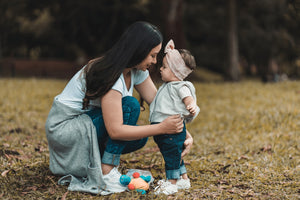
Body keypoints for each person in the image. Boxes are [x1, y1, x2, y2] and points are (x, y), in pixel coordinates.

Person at [45, 22, 193, 195]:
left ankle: (99, 162)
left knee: (139, 138)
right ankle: (107, 171)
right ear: (138, 51)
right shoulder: (111, 75)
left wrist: (183, 132)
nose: (154, 61)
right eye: (152, 55)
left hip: (85, 127)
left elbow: (160, 105)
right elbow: (115, 131)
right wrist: (161, 128)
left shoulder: (136, 71)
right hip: (66, 131)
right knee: (130, 106)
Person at [150, 40, 200, 195]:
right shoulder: (167, 86)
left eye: (164, 67)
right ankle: (183, 179)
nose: (160, 69)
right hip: (165, 130)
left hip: (172, 130)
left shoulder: (181, 87)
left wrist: (191, 106)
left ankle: (171, 183)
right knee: (174, 154)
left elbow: (188, 99)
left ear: (176, 72)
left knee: (171, 156)